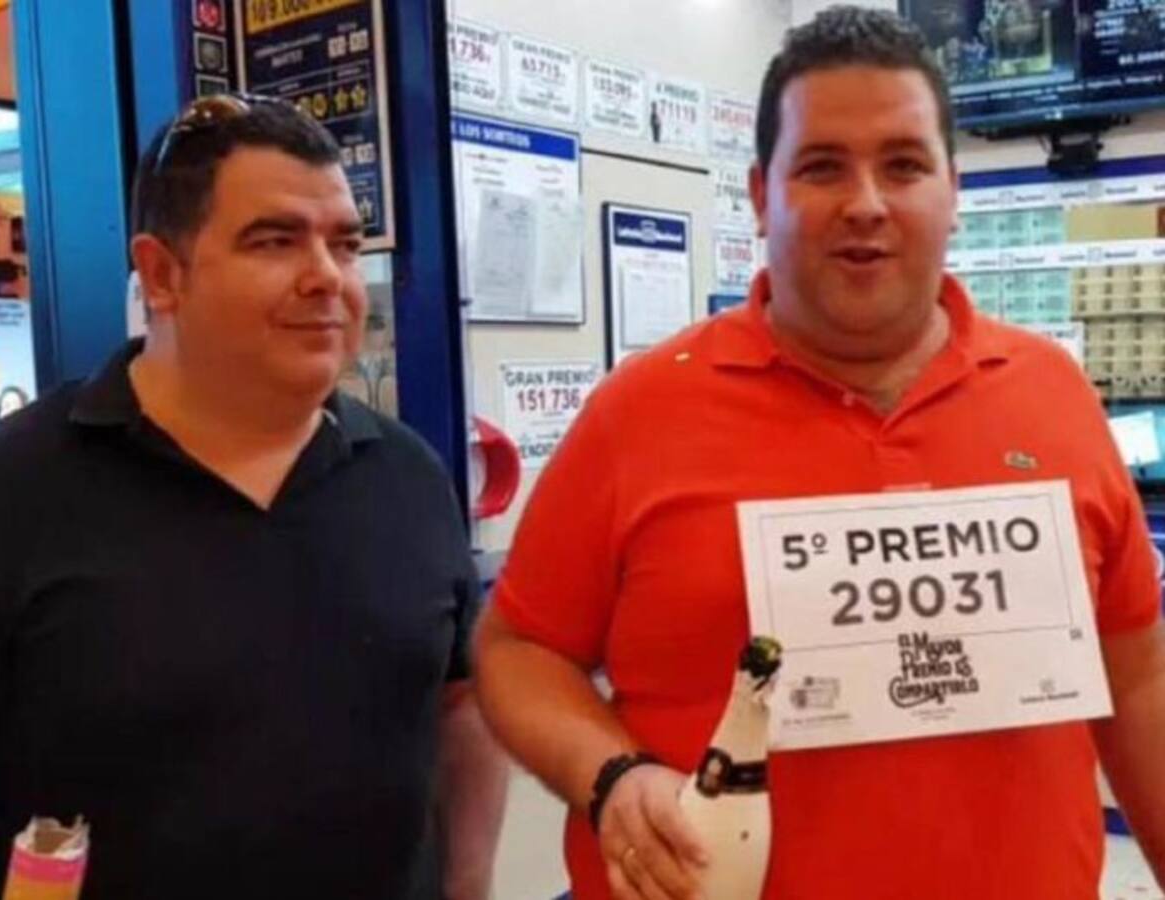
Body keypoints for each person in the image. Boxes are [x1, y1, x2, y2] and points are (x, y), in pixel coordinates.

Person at [474, 8, 1165, 900]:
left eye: (904, 165)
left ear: (952, 191)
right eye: (822, 167)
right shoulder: (639, 412)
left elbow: (1138, 677)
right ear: (762, 195)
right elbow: (518, 650)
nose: (865, 203)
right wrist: (610, 776)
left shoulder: (1052, 393)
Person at [0, 94, 506, 899]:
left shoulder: (408, 474)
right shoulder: (9, 489)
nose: (328, 278)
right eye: (275, 241)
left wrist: (468, 884)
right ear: (161, 274)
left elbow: (460, 701)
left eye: (344, 244)